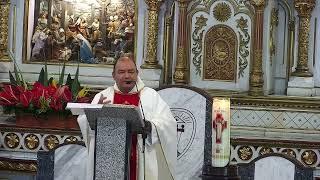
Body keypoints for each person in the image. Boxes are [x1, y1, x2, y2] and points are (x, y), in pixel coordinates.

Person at [77, 54, 177, 180]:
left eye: (131, 71)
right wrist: (95, 112)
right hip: (108, 158)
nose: (127, 76)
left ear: (137, 73)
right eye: (121, 72)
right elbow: (85, 122)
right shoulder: (102, 96)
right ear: (113, 75)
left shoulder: (150, 96)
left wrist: (151, 126)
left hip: (141, 155)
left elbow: (168, 123)